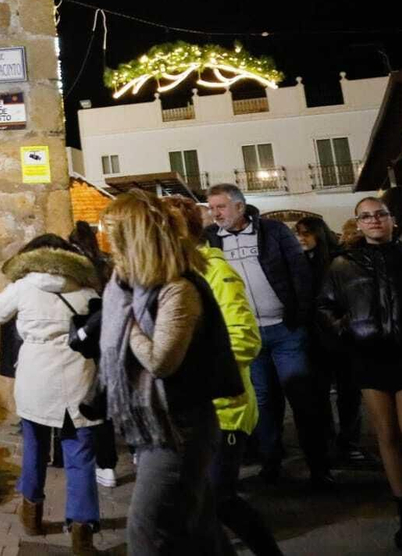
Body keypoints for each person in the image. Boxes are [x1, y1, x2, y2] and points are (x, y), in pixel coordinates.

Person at [100, 190, 242, 554]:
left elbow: (162, 361)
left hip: (180, 428)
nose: (107, 241)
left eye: (113, 233)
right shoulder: (134, 288)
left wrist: (125, 325)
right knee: (199, 529)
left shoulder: (178, 289)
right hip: (157, 423)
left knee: (146, 534)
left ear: (133, 239)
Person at [318, 194, 402, 551]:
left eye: (381, 214)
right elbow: (325, 307)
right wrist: (346, 331)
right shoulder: (342, 265)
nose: (374, 220)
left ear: (392, 220)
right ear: (358, 223)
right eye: (366, 216)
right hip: (369, 358)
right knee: (387, 437)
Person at [166, 197, 283, 556]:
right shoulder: (172, 277)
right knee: (199, 505)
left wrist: (192, 376)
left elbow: (245, 341)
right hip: (192, 412)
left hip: (225, 411)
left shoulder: (218, 273)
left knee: (219, 498)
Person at [204, 183, 332, 486]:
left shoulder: (274, 231)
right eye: (212, 208)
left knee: (301, 396)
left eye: (220, 207)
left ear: (239, 206)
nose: (215, 213)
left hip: (285, 331)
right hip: (248, 337)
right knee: (263, 404)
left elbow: (299, 273)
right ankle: (271, 463)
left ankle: (318, 465)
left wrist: (298, 318)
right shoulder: (210, 240)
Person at [0, 234, 103, 555]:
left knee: (34, 446)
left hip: (36, 377)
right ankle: (82, 531)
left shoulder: (24, 287)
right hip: (78, 376)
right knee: (80, 455)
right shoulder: (87, 289)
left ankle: (32, 516)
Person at [295, 215, 366, 465]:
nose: (300, 238)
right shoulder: (301, 262)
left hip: (342, 336)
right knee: (320, 393)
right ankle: (329, 441)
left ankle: (349, 443)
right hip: (315, 338)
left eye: (306, 233)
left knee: (349, 392)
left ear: (319, 234)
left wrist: (342, 322)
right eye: (298, 233)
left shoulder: (340, 261)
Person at [64, 220, 119, 489]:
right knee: (106, 400)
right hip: (107, 335)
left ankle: (98, 462)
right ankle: (116, 461)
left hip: (85, 336)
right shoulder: (106, 263)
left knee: (89, 402)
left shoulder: (75, 271)